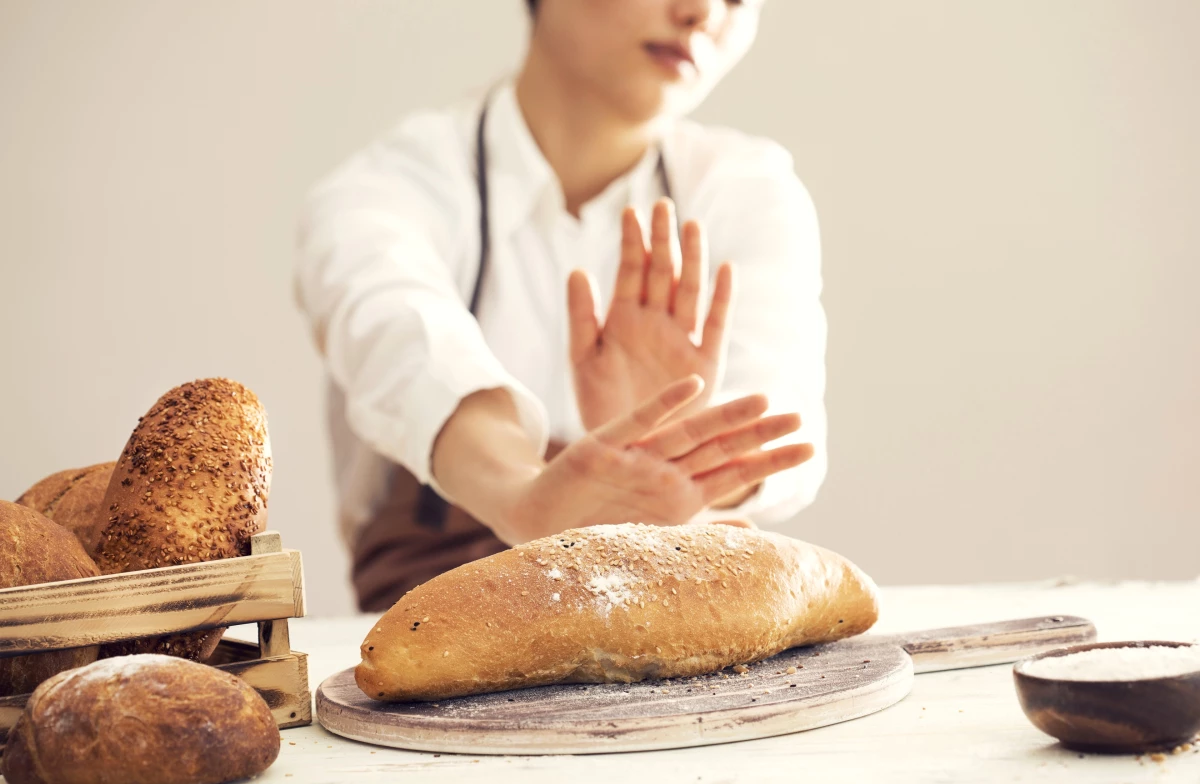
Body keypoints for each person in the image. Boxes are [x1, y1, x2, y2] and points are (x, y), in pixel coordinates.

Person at [296, 0, 828, 612]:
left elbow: (777, 424)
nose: (702, 11)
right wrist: (523, 494)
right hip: (434, 629)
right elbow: (401, 342)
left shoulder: (749, 191)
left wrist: (664, 472)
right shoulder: (385, 188)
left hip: (658, 616)